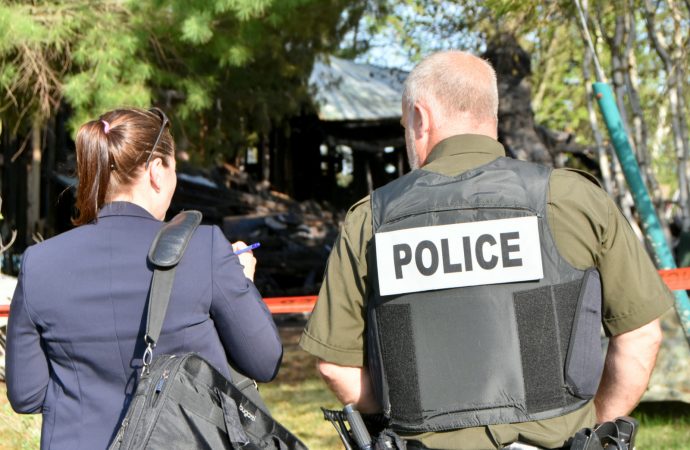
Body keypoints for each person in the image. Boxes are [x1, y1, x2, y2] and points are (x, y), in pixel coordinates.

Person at [299, 51, 673, 449]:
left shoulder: (370, 220)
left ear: (420, 117)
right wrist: (595, 427)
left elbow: (337, 367)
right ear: (490, 114)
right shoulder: (573, 198)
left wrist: (396, 422)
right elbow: (641, 336)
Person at [6, 107, 283, 449]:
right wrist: (243, 283)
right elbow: (265, 360)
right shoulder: (204, 249)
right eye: (174, 170)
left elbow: (27, 395)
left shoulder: (39, 263)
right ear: (156, 172)